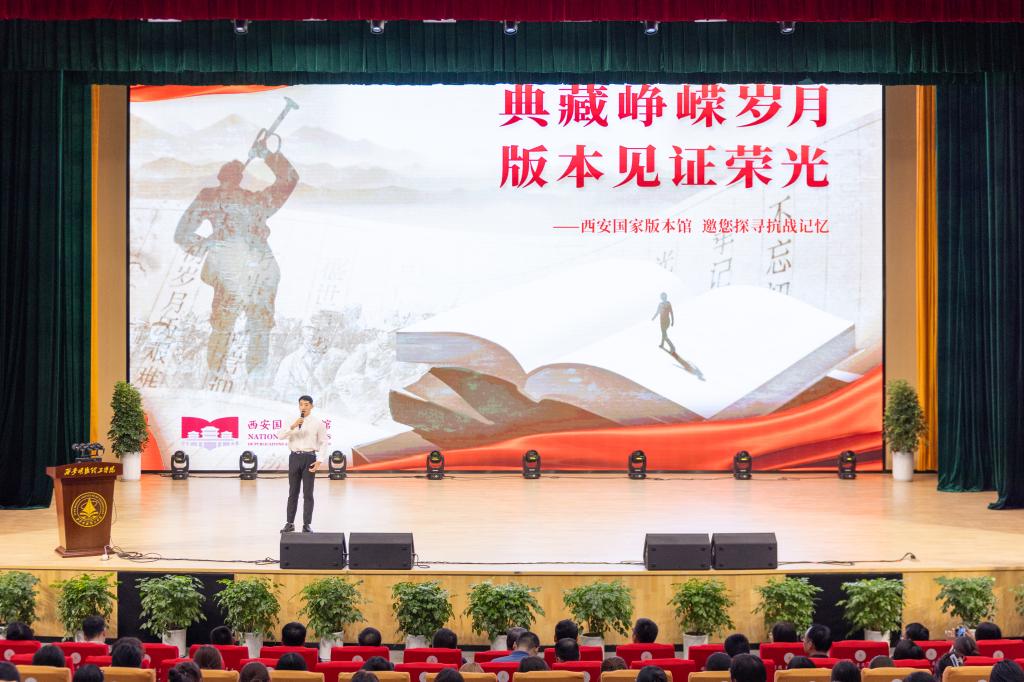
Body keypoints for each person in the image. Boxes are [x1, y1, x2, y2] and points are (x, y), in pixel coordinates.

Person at [173, 140, 298, 380]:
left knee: (255, 325)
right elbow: (288, 179)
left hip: (255, 270)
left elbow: (182, 235)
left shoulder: (249, 200)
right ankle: (222, 373)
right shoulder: (223, 198)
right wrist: (267, 155)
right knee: (231, 325)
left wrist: (208, 244)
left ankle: (249, 376)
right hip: (240, 270)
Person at [277, 395, 326, 533]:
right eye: (301, 404)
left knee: (308, 493)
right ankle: (290, 523)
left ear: (312, 406)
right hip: (294, 458)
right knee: (293, 492)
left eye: (306, 404)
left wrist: (320, 460)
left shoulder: (318, 423)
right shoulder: (291, 420)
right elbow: (280, 436)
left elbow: (324, 442)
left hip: (310, 458)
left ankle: (306, 524)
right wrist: (293, 426)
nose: (303, 407)